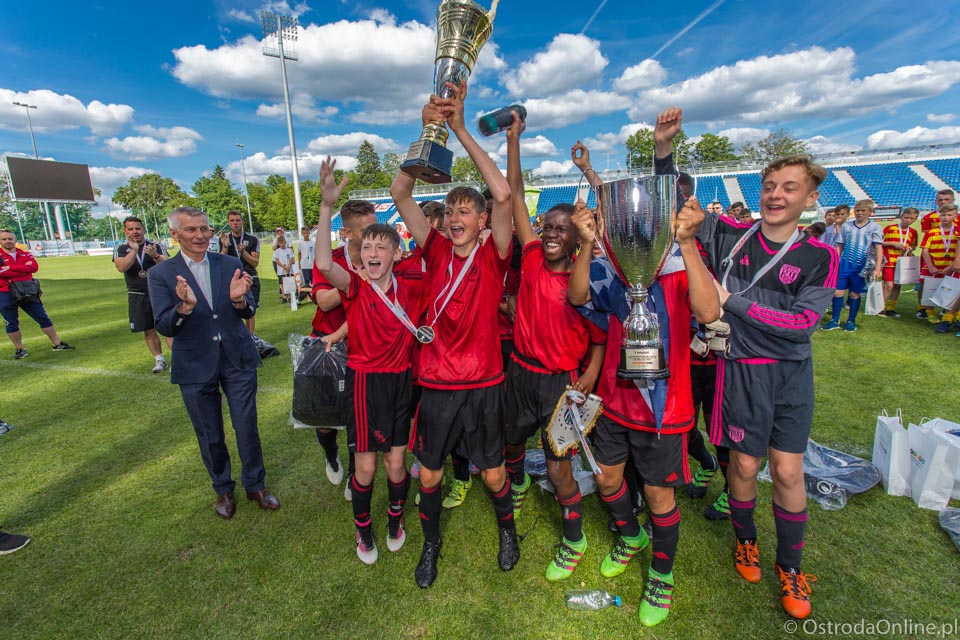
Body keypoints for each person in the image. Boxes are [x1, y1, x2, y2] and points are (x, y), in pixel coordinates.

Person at [564, 108, 717, 628]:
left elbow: (709, 313)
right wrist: (587, 243)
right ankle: (630, 535)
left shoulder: (677, 262)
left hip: (664, 406)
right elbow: (579, 295)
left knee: (658, 491)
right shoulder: (618, 257)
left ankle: (663, 574)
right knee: (607, 479)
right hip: (615, 400)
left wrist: (690, 242)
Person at [689, 153, 837, 620]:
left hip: (791, 374)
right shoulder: (731, 236)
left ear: (810, 198)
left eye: (789, 187)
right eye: (770, 185)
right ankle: (746, 541)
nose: (776, 194)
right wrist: (664, 147)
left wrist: (732, 301)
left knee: (789, 473)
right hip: (741, 370)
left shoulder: (820, 255)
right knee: (746, 466)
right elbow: (679, 203)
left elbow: (801, 323)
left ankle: (791, 567)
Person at [390, 81, 519, 589]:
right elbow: (402, 191)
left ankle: (507, 531)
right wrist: (427, 129)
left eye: (467, 210)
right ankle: (431, 546)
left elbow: (505, 193)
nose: (457, 217)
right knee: (429, 474)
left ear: (483, 220)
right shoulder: (435, 247)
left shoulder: (495, 252)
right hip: (440, 382)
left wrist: (460, 127)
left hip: (485, 381)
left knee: (491, 474)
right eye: (451, 210)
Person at [503, 115, 606, 582]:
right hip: (519, 372)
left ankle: (574, 536)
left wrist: (590, 372)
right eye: (546, 225)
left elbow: (601, 338)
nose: (548, 232)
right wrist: (513, 142)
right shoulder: (528, 255)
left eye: (561, 229)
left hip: (558, 383)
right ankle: (519, 483)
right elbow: (516, 191)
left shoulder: (584, 280)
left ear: (577, 237)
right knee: (510, 443)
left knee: (560, 465)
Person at [315, 157, 423, 565]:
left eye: (382, 247)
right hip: (364, 382)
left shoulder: (412, 287)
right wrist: (327, 207)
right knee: (366, 469)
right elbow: (324, 264)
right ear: (359, 254)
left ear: (397, 252)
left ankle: (395, 519)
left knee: (397, 464)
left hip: (399, 382)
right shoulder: (355, 285)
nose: (373, 253)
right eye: (367, 247)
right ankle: (364, 531)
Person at [148, 207, 279, 519]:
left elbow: (246, 313)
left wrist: (239, 301)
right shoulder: (160, 274)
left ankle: (255, 485)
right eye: (191, 230)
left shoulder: (230, 263)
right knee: (209, 432)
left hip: (237, 357)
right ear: (175, 235)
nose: (200, 235)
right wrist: (183, 307)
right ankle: (222, 489)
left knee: (247, 425)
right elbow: (164, 326)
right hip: (194, 363)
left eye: (204, 229)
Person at [308, 199, 378, 499]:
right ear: (347, 233)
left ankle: (354, 473)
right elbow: (323, 301)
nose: (375, 235)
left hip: (363, 346)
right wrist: (355, 282)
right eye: (367, 230)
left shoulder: (379, 257)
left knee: (357, 417)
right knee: (324, 419)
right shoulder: (331, 259)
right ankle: (330, 453)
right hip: (325, 344)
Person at [0, 229, 74, 358]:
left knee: (42, 317)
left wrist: (11, 268)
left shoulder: (24, 254)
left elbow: (33, 267)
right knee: (11, 322)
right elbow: (2, 273)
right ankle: (20, 349)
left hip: (28, 291)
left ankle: (57, 344)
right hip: (5, 292)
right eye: (4, 239)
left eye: (10, 238)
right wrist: (22, 271)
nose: (7, 241)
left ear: (15, 240)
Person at [113, 216, 170, 372]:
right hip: (137, 293)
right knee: (148, 329)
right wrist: (134, 251)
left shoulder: (156, 246)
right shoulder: (121, 248)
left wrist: (155, 256)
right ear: (125, 231)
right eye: (130, 229)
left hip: (160, 292)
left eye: (137, 228)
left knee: (169, 326)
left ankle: (178, 359)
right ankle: (159, 360)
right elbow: (122, 267)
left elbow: (169, 266)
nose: (135, 232)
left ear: (143, 229)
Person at [822, 199, 882, 332]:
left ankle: (850, 321)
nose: (860, 213)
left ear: (870, 212)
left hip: (861, 266)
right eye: (857, 210)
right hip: (844, 265)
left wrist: (877, 268)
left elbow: (878, 248)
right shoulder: (846, 227)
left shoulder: (874, 228)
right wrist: (834, 262)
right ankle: (834, 320)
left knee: (854, 293)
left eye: (863, 211)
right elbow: (840, 246)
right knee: (837, 292)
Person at [218, 211, 261, 336]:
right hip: (232, 280)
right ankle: (236, 338)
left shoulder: (252, 239)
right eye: (232, 220)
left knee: (250, 311)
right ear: (228, 222)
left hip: (250, 277)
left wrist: (244, 252)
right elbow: (219, 261)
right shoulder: (224, 239)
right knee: (232, 309)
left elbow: (255, 262)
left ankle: (250, 338)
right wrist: (225, 247)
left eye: (237, 220)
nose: (235, 223)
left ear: (242, 221)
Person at [919, 203, 960, 330]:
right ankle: (930, 312)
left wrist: (954, 265)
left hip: (952, 268)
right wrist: (930, 266)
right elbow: (925, 250)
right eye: (943, 215)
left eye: (949, 215)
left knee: (952, 293)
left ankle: (948, 318)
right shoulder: (932, 232)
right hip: (935, 267)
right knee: (929, 289)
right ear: (939, 215)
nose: (946, 217)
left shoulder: (957, 231)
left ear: (955, 216)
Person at [880, 207, 919, 318]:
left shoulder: (913, 232)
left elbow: (913, 245)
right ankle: (880, 307)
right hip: (889, 261)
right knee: (889, 285)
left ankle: (891, 308)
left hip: (902, 263)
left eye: (911, 218)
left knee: (897, 286)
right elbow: (879, 242)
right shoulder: (890, 228)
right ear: (901, 217)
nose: (908, 220)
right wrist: (892, 243)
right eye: (906, 217)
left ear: (914, 220)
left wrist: (910, 248)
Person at [273, 235, 295, 303]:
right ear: (279, 244)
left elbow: (291, 258)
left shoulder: (289, 250)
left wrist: (288, 266)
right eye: (281, 243)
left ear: (285, 242)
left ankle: (290, 295)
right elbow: (277, 260)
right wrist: (283, 267)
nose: (283, 244)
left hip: (289, 269)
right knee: (281, 283)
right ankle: (284, 296)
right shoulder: (277, 251)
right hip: (281, 269)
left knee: (289, 281)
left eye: (284, 243)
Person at [298, 227, 315, 291]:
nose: (306, 235)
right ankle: (308, 295)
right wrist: (299, 263)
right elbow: (299, 253)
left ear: (309, 233)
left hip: (312, 264)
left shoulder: (313, 242)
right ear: (302, 234)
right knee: (306, 280)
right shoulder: (300, 242)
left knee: (313, 280)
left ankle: (313, 293)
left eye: (307, 233)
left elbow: (315, 252)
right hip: (304, 264)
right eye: (304, 233)